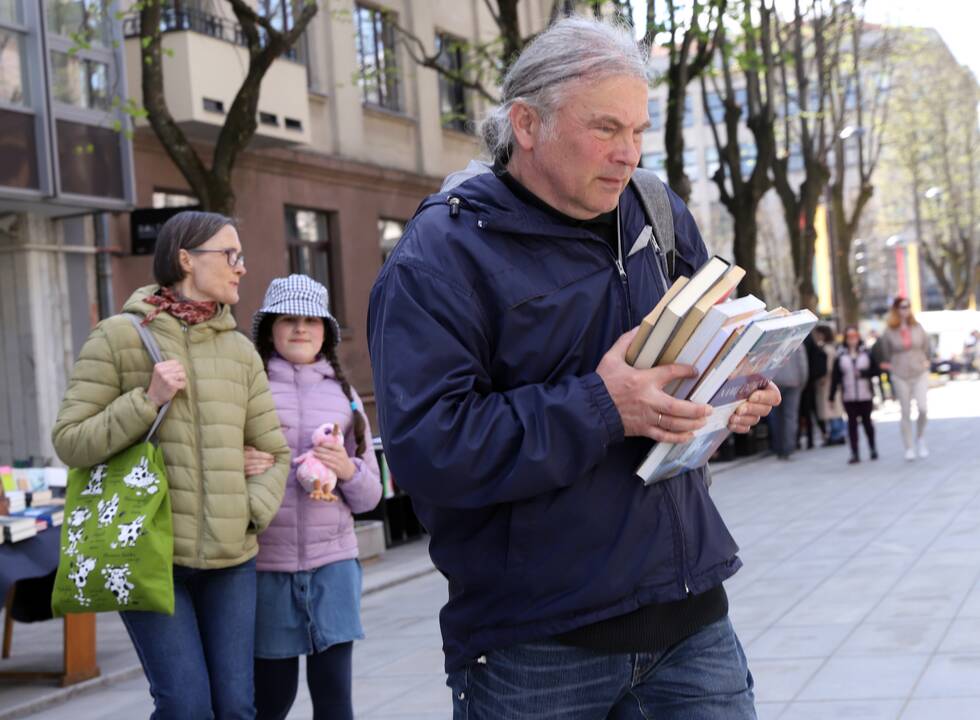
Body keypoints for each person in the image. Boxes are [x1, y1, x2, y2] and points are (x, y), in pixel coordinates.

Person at [367, 17, 780, 720]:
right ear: (526, 124)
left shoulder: (656, 209)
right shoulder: (441, 255)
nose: (628, 154)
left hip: (692, 623)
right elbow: (429, 449)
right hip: (537, 648)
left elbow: (701, 344)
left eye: (638, 130)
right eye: (606, 129)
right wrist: (601, 406)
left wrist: (733, 390)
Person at [52, 211, 291, 719]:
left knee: (236, 707)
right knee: (186, 707)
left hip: (232, 560)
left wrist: (249, 512)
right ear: (186, 259)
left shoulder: (240, 351)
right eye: (230, 255)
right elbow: (70, 441)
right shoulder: (118, 337)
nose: (241, 268)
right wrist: (146, 400)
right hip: (149, 554)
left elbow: (276, 452)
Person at [244, 275, 382, 720]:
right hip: (267, 569)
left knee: (334, 700)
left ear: (326, 331)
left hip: (334, 569)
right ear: (270, 328)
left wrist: (346, 470)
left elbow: (370, 497)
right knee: (271, 700)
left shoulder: (346, 398)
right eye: (289, 319)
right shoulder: (250, 390)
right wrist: (237, 462)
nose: (300, 328)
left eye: (311, 320)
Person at [878, 297, 931, 460]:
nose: (905, 310)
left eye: (907, 307)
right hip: (900, 373)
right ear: (896, 309)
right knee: (905, 410)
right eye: (902, 307)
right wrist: (889, 366)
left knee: (922, 408)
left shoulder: (917, 327)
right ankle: (908, 446)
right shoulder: (889, 331)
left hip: (919, 371)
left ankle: (920, 438)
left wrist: (926, 361)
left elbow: (926, 346)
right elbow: (884, 352)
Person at [830, 325, 879, 464]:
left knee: (867, 423)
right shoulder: (840, 355)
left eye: (855, 336)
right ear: (846, 339)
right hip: (849, 396)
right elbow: (835, 377)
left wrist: (863, 374)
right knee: (851, 425)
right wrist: (831, 397)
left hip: (865, 395)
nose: (852, 339)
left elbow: (876, 370)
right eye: (849, 337)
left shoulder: (866, 353)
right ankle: (855, 453)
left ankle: (872, 448)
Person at [768, 344, 809, 460]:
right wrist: (802, 382)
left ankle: (778, 447)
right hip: (793, 383)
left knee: (776, 417)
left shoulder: (776, 342)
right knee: (790, 417)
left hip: (776, 382)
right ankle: (788, 448)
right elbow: (803, 364)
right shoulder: (798, 343)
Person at [814, 325, 847, 446]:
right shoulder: (832, 347)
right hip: (832, 382)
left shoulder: (826, 349)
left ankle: (836, 434)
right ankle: (839, 433)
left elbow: (828, 367)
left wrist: (823, 378)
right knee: (834, 408)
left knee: (831, 408)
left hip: (827, 383)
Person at [798, 330, 829, 449]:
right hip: (809, 379)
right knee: (812, 409)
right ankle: (817, 435)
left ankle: (803, 439)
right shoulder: (809, 338)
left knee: (803, 411)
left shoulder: (802, 339)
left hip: (804, 380)